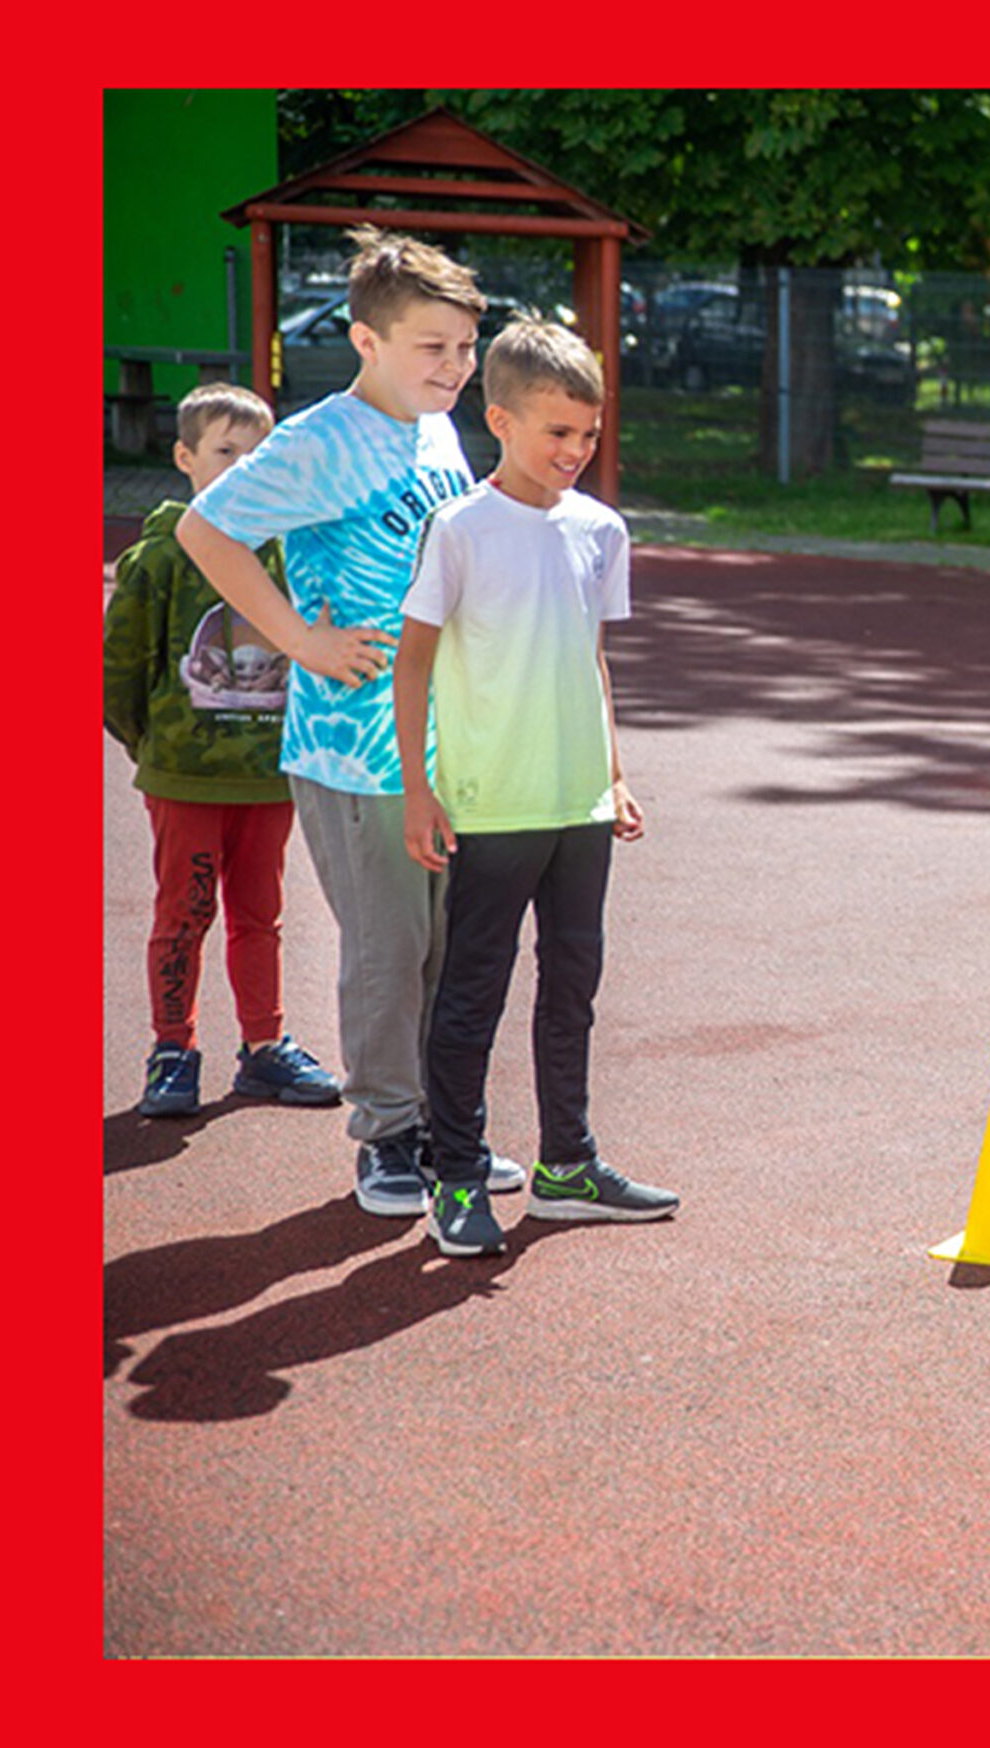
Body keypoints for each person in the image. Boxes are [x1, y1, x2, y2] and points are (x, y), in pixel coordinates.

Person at [176, 226, 522, 1215]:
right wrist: (298, 638)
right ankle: (387, 1135)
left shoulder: (435, 430)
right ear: (367, 340)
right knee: (389, 951)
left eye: (464, 346)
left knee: (452, 950)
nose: (454, 367)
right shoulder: (319, 440)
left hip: (445, 743)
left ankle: (446, 1126)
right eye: (432, 347)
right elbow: (208, 529)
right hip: (355, 748)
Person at [394, 319, 676, 1257]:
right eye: (557, 432)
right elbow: (415, 663)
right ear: (499, 418)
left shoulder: (601, 530)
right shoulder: (461, 528)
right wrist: (418, 789)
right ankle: (457, 1172)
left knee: (574, 987)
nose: (575, 451)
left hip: (578, 805)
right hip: (491, 802)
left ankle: (566, 1166)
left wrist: (616, 774)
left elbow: (591, 658)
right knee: (472, 991)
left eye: (588, 435)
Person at [106, 382, 342, 1117]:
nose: (243, 467)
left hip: (268, 779)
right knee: (183, 912)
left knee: (260, 914)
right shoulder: (160, 557)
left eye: (258, 453)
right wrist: (161, 748)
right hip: (186, 778)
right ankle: (172, 1050)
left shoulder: (289, 553)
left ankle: (263, 1048)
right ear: (184, 457)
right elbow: (119, 668)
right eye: (225, 452)